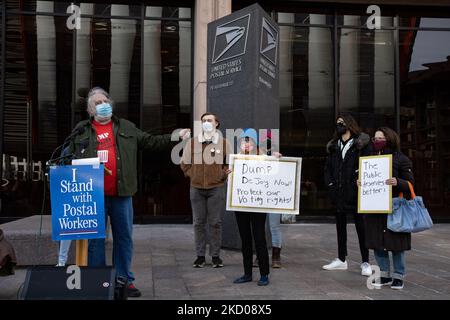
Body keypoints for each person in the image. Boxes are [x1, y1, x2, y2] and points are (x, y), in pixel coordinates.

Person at [66, 87, 189, 297]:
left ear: (111, 104)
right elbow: (67, 156)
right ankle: (99, 280)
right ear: (89, 110)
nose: (102, 104)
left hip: (122, 194)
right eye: (96, 103)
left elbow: (151, 142)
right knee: (95, 240)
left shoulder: (126, 127)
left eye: (104, 100)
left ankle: (124, 280)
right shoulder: (81, 129)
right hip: (93, 195)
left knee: (124, 238)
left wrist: (176, 135)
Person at [364, 127, 414, 290]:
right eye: (375, 138)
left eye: (380, 138)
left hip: (394, 207)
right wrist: (360, 183)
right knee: (377, 242)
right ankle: (384, 275)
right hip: (374, 206)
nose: (377, 141)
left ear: (390, 139)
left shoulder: (401, 159)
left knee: (396, 243)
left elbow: (410, 183)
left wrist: (397, 182)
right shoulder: (370, 159)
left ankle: (398, 276)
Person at [323, 114, 372, 276]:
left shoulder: (361, 144)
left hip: (356, 191)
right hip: (338, 192)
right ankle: (341, 259)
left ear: (350, 125)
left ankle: (365, 262)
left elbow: (369, 165)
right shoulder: (334, 145)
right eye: (337, 124)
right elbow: (328, 169)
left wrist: (361, 181)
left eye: (342, 123)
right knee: (340, 226)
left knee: (361, 227)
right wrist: (330, 185)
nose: (339, 126)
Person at [180, 112, 231, 269]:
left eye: (209, 120)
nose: (206, 123)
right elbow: (184, 164)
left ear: (216, 123)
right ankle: (200, 256)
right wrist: (193, 175)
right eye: (203, 121)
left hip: (216, 188)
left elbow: (228, 164)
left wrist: (222, 175)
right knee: (198, 223)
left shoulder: (223, 143)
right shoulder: (192, 143)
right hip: (196, 189)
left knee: (215, 223)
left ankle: (215, 256)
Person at [233, 129, 270, 286]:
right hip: (241, 204)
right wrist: (228, 174)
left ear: (255, 143)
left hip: (258, 205)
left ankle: (264, 274)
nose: (245, 144)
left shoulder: (264, 159)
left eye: (248, 141)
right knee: (245, 240)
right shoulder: (236, 159)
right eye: (243, 141)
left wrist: (277, 160)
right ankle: (247, 273)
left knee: (259, 238)